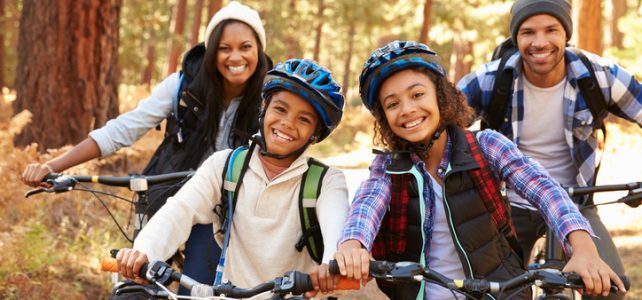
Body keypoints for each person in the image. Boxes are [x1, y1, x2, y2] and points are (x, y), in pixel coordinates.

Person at [332, 40, 626, 300]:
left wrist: (582, 246)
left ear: (441, 95)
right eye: (392, 104)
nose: (407, 109)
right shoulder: (387, 169)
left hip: (498, 290)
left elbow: (545, 189)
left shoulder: (487, 145)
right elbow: (365, 208)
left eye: (417, 94)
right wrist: (352, 245)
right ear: (384, 117)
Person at [21, 1, 270, 291]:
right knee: (139, 283)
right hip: (167, 197)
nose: (234, 56)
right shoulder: (182, 86)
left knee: (199, 288)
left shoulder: (271, 96)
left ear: (259, 50)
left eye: (245, 47)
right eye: (224, 48)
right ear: (210, 51)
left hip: (225, 213)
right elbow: (123, 129)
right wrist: (52, 166)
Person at [116, 58, 349, 297]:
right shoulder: (225, 165)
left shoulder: (327, 182)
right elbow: (179, 211)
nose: (287, 123)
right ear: (264, 107)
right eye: (280, 109)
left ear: (315, 134)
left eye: (304, 119)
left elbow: (337, 225)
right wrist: (144, 251)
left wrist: (331, 265)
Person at [457, 1, 642, 299]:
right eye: (528, 32)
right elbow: (439, 130)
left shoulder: (601, 75)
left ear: (566, 34)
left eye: (551, 30)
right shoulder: (490, 79)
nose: (539, 42)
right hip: (508, 205)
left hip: (577, 204)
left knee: (611, 289)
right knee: (494, 292)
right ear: (515, 37)